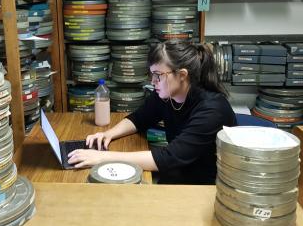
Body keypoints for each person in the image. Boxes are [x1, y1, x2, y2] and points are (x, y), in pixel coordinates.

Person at [68, 40, 237, 184]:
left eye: (158, 75)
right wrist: (108, 134)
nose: (153, 81)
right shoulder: (168, 94)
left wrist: (101, 158)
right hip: (178, 172)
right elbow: (139, 118)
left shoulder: (212, 110)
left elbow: (169, 157)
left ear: (182, 75)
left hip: (203, 187)